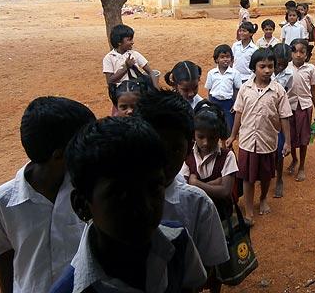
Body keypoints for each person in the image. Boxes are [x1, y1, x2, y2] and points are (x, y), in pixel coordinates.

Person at [53, 116, 207, 292]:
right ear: (81, 205)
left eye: (154, 188)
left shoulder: (179, 242)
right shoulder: (70, 289)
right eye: (121, 195)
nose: (145, 207)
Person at [0, 97, 95, 293]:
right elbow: (3, 253)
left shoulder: (87, 187)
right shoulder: (2, 202)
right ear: (59, 155)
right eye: (83, 143)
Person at [136, 90, 229, 293]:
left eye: (175, 149)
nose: (165, 160)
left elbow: (208, 267)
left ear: (188, 150)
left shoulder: (198, 203)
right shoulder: (115, 199)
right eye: (156, 148)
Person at [226, 48, 292, 225]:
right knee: (247, 177)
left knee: (265, 176)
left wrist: (287, 142)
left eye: (270, 66)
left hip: (268, 142)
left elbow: (285, 116)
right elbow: (239, 113)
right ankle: (248, 209)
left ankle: (263, 199)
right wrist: (233, 135)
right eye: (262, 66)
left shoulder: (278, 91)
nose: (267, 70)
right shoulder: (245, 89)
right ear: (253, 68)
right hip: (247, 142)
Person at [182, 100, 238, 221]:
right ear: (193, 134)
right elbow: (183, 192)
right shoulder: (187, 155)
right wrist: (214, 184)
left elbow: (225, 191)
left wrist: (196, 183)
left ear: (219, 134)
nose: (206, 143)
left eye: (212, 137)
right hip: (195, 216)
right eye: (201, 137)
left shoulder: (228, 156)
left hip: (221, 216)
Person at [102, 24, 159, 114]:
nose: (132, 42)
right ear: (119, 42)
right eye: (129, 40)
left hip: (137, 95)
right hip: (121, 96)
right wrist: (126, 67)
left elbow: (151, 72)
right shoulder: (109, 58)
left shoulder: (135, 54)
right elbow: (110, 81)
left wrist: (156, 91)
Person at [286, 39, 315, 182]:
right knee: (292, 136)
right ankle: (294, 159)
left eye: (302, 52)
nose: (298, 55)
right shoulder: (286, 68)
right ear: (290, 53)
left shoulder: (310, 69)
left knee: (304, 137)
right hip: (289, 107)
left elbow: (313, 89)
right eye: (295, 51)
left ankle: (301, 166)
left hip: (305, 107)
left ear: (307, 54)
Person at [271, 44, 294, 198]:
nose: (280, 67)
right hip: (265, 116)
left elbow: (288, 92)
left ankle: (279, 179)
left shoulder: (289, 74)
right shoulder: (265, 69)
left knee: (279, 149)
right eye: (278, 64)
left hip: (279, 115)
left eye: (283, 64)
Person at [206, 44, 242, 133]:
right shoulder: (211, 73)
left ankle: (227, 145)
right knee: (214, 125)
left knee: (228, 126)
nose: (225, 59)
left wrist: (235, 104)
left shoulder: (235, 73)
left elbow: (238, 89)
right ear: (216, 59)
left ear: (231, 58)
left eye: (228, 57)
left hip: (228, 104)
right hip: (214, 102)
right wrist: (209, 102)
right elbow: (209, 89)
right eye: (222, 57)